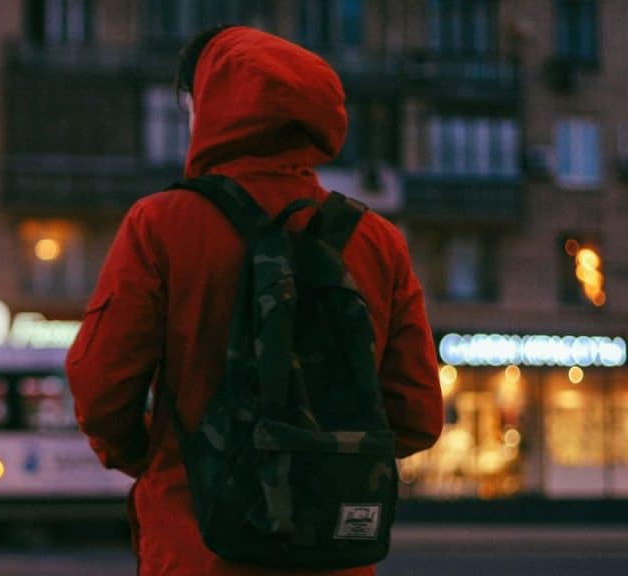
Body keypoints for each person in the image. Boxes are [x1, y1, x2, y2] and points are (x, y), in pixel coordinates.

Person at [66, 26, 443, 576]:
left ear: (209, 107)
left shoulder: (161, 224)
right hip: (332, 560)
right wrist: (323, 461)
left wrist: (157, 458)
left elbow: (100, 388)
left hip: (196, 548)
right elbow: (418, 416)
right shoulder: (377, 241)